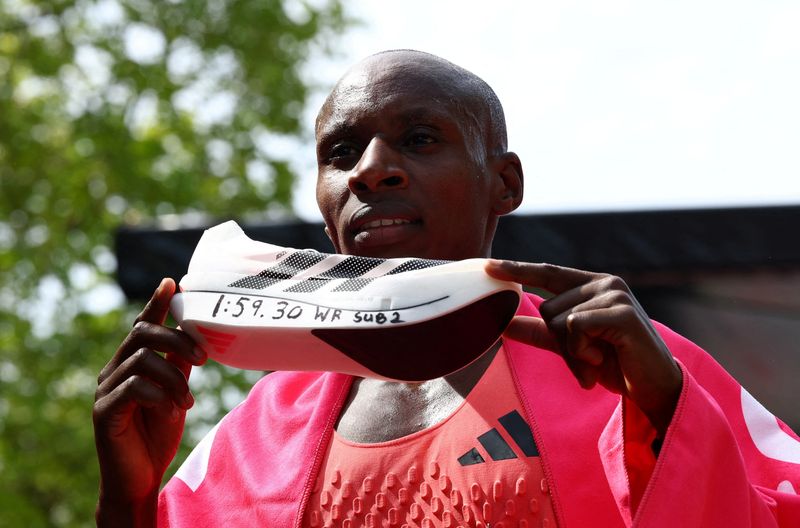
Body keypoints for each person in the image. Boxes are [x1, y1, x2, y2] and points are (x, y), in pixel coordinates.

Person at [94, 50, 800, 527]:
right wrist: (128, 501)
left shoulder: (638, 367)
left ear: (505, 182)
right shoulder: (256, 431)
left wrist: (666, 413)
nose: (371, 170)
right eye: (341, 153)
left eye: (421, 139)